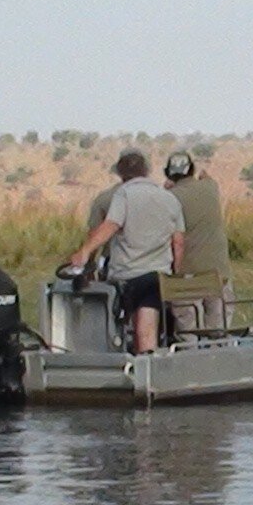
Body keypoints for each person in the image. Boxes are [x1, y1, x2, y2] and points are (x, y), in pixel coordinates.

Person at [64, 149, 184, 354]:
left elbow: (111, 224)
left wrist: (84, 252)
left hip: (127, 274)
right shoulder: (169, 198)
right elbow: (179, 241)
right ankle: (148, 368)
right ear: (146, 171)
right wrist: (176, 273)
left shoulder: (124, 194)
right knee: (146, 331)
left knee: (122, 328)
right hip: (158, 275)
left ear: (120, 173)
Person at [163, 151, 234, 334]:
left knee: (188, 330)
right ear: (191, 170)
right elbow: (207, 177)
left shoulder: (170, 198)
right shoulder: (211, 187)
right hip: (217, 274)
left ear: (168, 173)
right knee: (218, 329)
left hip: (187, 277)